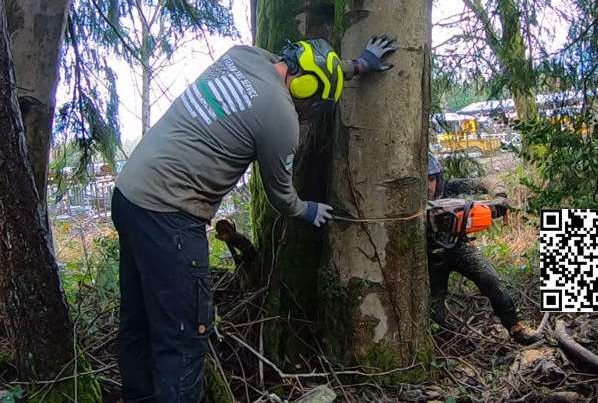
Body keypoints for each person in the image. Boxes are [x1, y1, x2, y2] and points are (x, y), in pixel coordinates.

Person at [111, 35, 398, 402]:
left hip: (130, 195)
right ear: (305, 85)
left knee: (138, 323)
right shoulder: (280, 115)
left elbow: (310, 67)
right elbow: (280, 195)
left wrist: (356, 66)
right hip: (170, 215)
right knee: (182, 337)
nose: (306, 106)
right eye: (311, 99)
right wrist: (305, 210)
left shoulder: (243, 56)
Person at [426, 154, 544, 345]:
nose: (428, 186)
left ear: (438, 178)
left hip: (458, 247)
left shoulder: (448, 187)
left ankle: (516, 326)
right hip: (429, 258)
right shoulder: (408, 203)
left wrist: (499, 197)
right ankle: (444, 339)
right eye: (423, 180)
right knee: (435, 308)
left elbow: (484, 181)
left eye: (431, 179)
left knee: (490, 280)